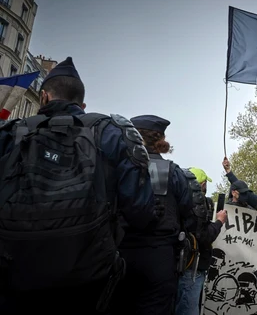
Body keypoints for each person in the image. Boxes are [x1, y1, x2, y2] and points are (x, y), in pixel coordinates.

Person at [0, 57, 156, 315]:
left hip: (13, 272)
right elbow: (140, 210)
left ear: (43, 97)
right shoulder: (112, 132)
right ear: (82, 106)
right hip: (86, 277)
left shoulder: (13, 132)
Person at [111, 115, 194, 315]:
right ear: (161, 139)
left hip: (120, 254)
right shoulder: (174, 173)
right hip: (160, 257)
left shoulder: (117, 168)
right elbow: (189, 215)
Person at [175, 167, 227, 315]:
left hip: (176, 264)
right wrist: (219, 222)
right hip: (193, 266)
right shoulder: (198, 205)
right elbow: (204, 237)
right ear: (202, 184)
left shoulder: (178, 201)